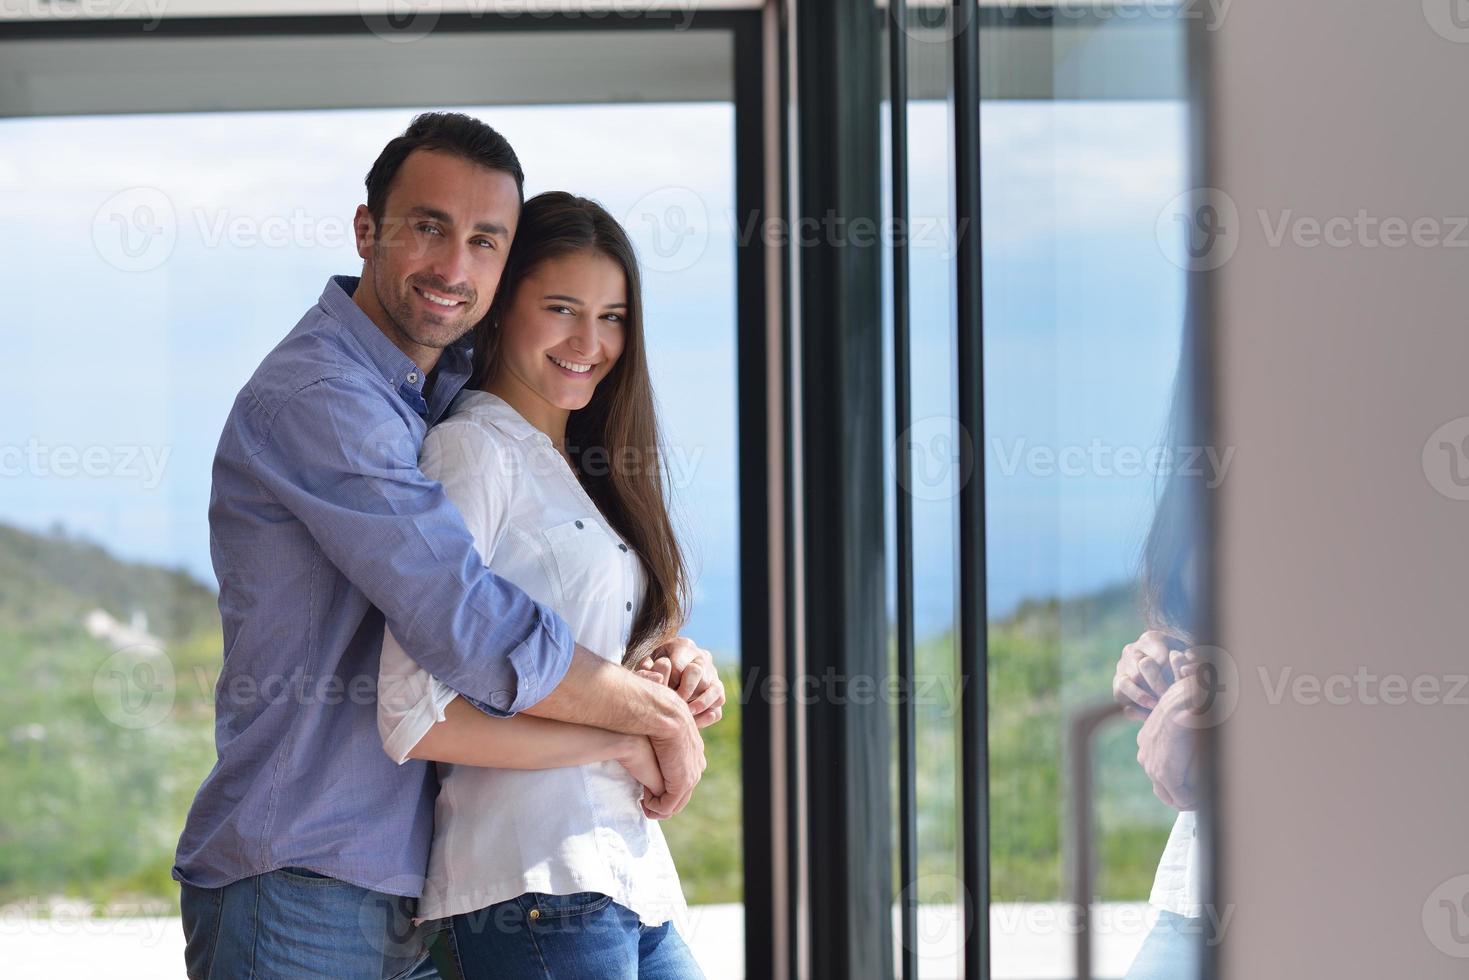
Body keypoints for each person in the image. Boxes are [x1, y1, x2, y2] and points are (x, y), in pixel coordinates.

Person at [172, 112, 722, 980]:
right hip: (302, 875)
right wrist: (638, 716)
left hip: (410, 881)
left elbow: (530, 577)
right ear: (367, 229)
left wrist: (656, 657)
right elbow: (462, 613)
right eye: (429, 227)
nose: (454, 267)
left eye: (485, 241)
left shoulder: (430, 396)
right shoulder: (326, 399)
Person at [378, 191, 711, 979]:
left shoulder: (587, 471)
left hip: (631, 875)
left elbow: (584, 654)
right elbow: (413, 718)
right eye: (561, 308)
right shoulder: (470, 454)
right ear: (499, 309)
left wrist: (673, 675)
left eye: (612, 316)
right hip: (528, 884)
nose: (589, 342)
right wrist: (626, 735)